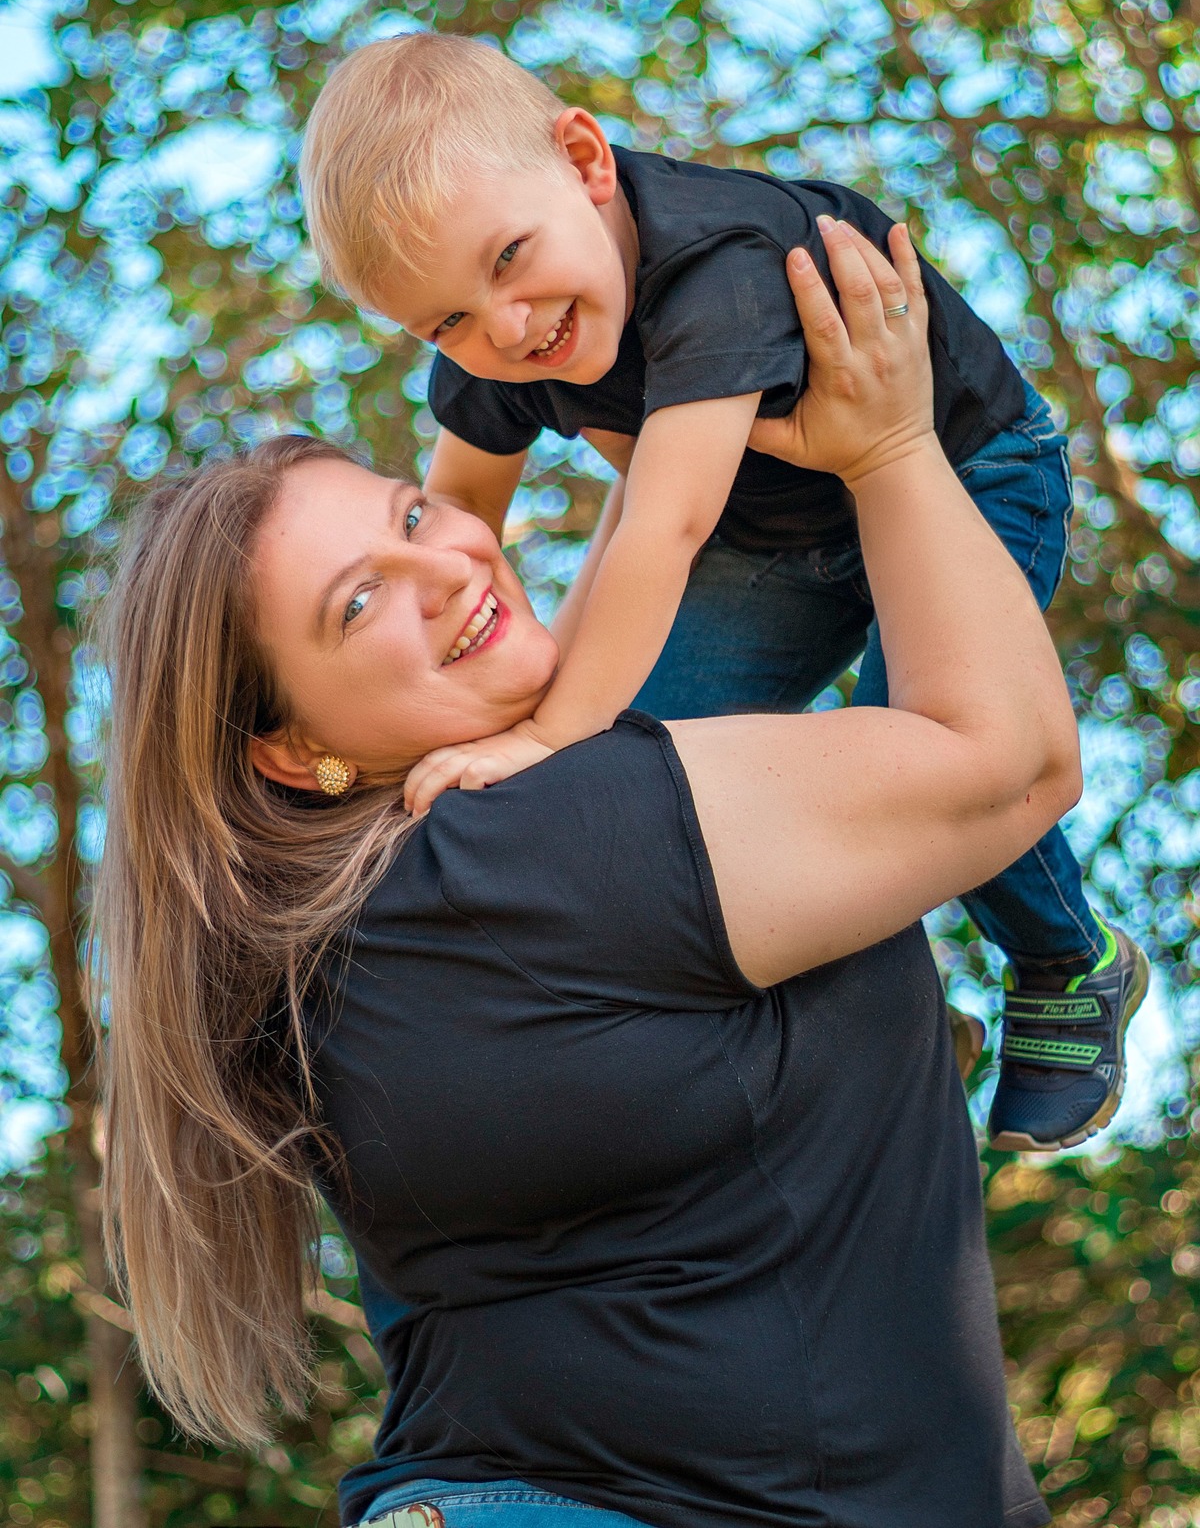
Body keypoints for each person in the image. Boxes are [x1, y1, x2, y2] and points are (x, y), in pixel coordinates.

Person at [96, 228, 1082, 1528]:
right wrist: (891, 447)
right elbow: (1008, 767)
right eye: (356, 603)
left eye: (412, 513)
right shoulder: (515, 852)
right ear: (293, 748)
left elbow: (622, 647)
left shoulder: (352, 942)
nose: (449, 563)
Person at [299, 31, 1145, 1153]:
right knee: (638, 756)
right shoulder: (498, 345)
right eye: (445, 322)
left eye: (509, 259)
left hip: (962, 468)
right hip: (778, 535)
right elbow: (464, 524)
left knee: (921, 736)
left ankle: (1066, 959)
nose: (504, 329)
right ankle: (880, 1007)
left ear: (586, 160)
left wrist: (545, 731)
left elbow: (668, 522)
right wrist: (455, 707)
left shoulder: (720, 264)